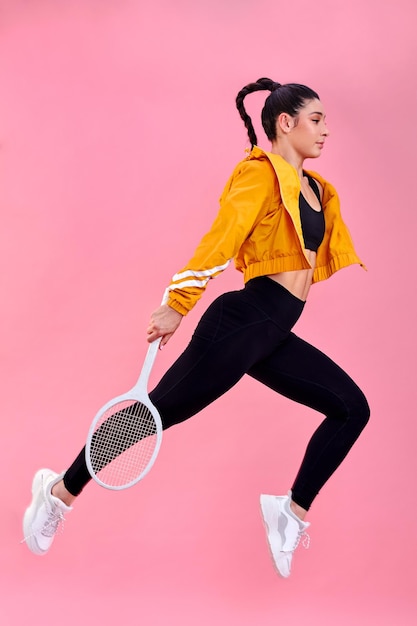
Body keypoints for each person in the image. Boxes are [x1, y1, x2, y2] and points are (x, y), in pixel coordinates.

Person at [23, 77, 370, 578]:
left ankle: (289, 513)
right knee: (155, 416)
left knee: (351, 409)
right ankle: (59, 493)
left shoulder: (318, 189)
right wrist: (177, 303)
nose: (327, 131)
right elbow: (221, 238)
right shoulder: (260, 174)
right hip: (243, 321)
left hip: (272, 331)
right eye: (316, 120)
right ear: (285, 123)